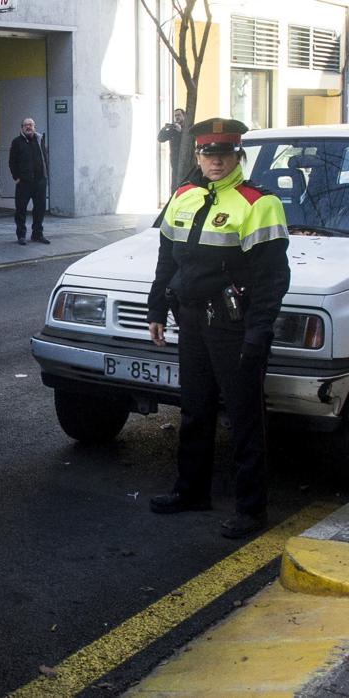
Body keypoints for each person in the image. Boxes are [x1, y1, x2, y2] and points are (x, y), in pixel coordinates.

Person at [145, 117, 290, 539]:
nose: (217, 161)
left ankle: (251, 510)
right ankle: (191, 491)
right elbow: (167, 260)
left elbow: (271, 280)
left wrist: (258, 333)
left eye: (225, 153)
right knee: (195, 409)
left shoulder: (258, 203)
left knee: (245, 419)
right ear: (197, 155)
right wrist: (156, 308)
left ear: (237, 155)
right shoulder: (183, 196)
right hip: (190, 320)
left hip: (233, 326)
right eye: (209, 153)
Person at [8, 117, 49, 245]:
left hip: (40, 181)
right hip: (24, 183)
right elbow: (12, 162)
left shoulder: (39, 139)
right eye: (26, 125)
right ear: (22, 128)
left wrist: (45, 175)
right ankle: (21, 235)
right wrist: (17, 177)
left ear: (34, 127)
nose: (28, 127)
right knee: (21, 210)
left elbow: (44, 158)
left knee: (40, 209)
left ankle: (37, 234)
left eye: (31, 124)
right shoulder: (17, 142)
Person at [158, 108, 188, 190]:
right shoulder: (173, 129)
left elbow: (190, 141)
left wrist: (181, 131)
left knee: (186, 185)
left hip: (187, 163)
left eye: (179, 115)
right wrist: (163, 129)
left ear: (184, 116)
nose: (177, 117)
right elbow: (160, 139)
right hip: (175, 162)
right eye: (175, 116)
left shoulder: (188, 128)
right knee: (175, 186)